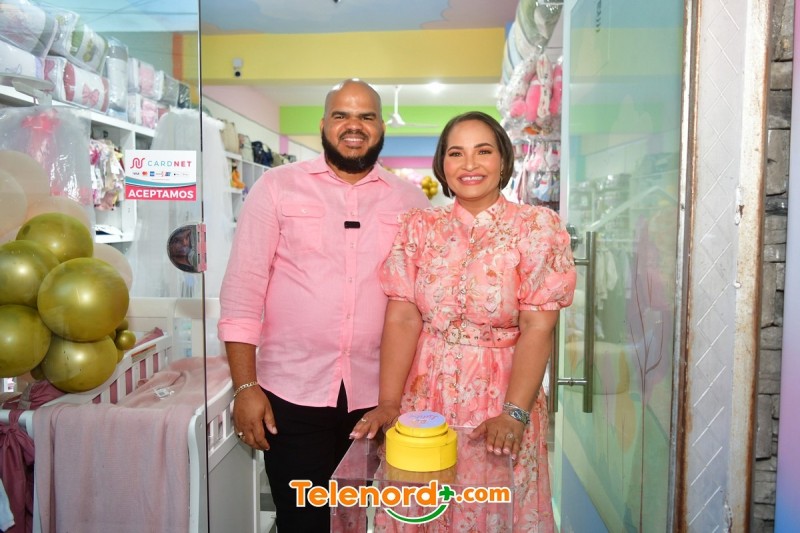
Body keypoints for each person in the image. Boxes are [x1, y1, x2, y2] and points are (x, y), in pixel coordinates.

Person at [217, 78, 430, 532]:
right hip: (290, 393)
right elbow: (242, 292)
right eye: (342, 115)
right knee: (302, 520)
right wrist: (245, 387)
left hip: (377, 397)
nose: (354, 125)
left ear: (381, 127)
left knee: (354, 518)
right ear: (323, 125)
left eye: (366, 116)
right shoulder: (277, 188)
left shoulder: (411, 201)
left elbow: (422, 301)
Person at [350, 111, 577, 532]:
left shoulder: (535, 228)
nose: (469, 164)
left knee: (492, 508)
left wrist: (514, 413)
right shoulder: (419, 227)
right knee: (422, 505)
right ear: (442, 164)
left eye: (483, 151)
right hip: (425, 397)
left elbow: (538, 327)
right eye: (456, 153)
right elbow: (403, 318)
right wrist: (389, 402)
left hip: (502, 396)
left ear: (503, 160)